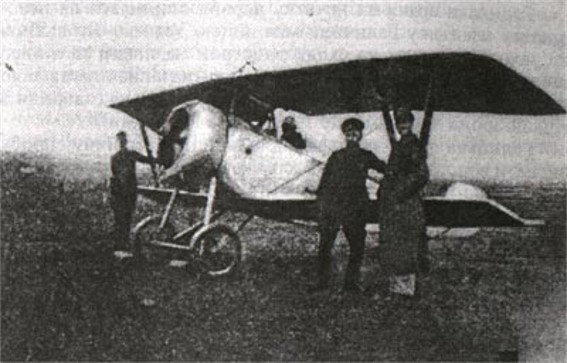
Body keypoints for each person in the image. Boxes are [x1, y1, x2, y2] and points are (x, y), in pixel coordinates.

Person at [314, 118, 386, 292]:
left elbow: (387, 169)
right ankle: (322, 283)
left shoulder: (366, 156)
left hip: (355, 207)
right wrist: (322, 206)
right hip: (334, 206)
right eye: (348, 132)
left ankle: (350, 284)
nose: (352, 134)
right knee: (325, 246)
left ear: (360, 135)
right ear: (345, 135)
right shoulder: (336, 156)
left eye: (355, 132)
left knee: (357, 247)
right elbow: (324, 184)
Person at [377, 107, 430, 298]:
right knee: (395, 243)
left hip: (405, 204)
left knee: (406, 245)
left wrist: (399, 193)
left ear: (411, 124)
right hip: (396, 204)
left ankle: (406, 290)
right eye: (400, 123)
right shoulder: (400, 146)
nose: (403, 126)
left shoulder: (414, 146)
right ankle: (398, 288)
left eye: (406, 122)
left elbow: (422, 174)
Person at [110, 131, 153, 251]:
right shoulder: (116, 157)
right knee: (120, 218)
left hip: (128, 191)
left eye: (123, 140)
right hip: (121, 192)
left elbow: (147, 160)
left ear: (125, 141)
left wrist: (156, 159)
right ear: (118, 142)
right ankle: (120, 244)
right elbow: (115, 174)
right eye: (120, 140)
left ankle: (122, 243)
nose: (122, 142)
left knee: (125, 217)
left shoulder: (129, 155)